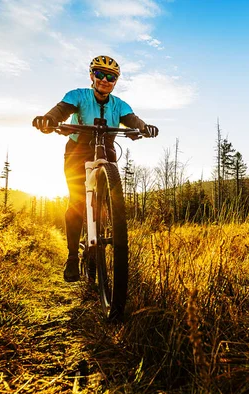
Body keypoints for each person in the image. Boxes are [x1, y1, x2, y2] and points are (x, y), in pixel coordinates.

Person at [32, 55, 159, 282]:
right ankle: (72, 256)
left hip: (107, 149)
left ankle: (108, 226)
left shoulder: (119, 104)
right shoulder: (78, 96)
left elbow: (132, 120)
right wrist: (49, 119)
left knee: (111, 198)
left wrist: (143, 128)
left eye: (111, 77)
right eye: (100, 74)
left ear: (115, 81)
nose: (105, 80)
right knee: (77, 202)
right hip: (78, 149)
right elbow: (61, 110)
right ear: (92, 76)